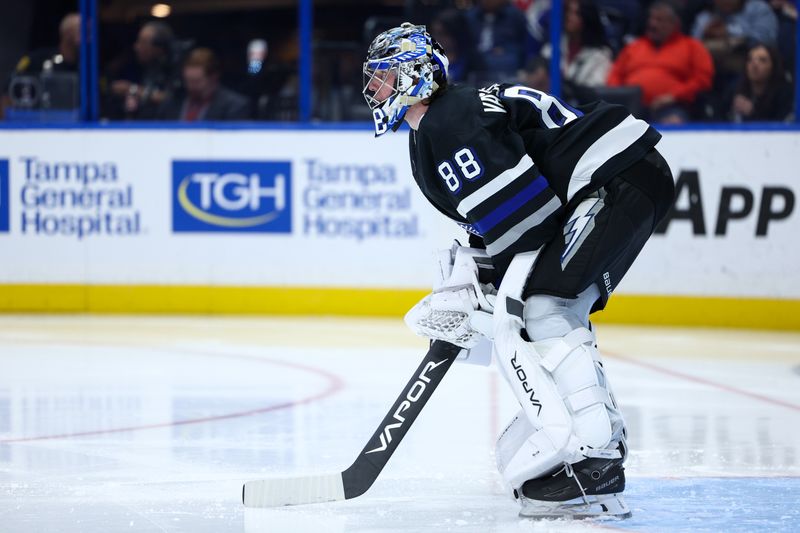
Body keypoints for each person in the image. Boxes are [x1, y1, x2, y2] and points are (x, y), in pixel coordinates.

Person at [363, 23, 675, 519]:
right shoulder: (437, 126)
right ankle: (599, 445)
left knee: (546, 307)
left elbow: (528, 221)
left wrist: (483, 292)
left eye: (382, 76)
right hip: (621, 174)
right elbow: (507, 220)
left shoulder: (448, 122)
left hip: (613, 177)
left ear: (413, 75)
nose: (373, 89)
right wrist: (479, 274)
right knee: (553, 306)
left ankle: (595, 456)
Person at [607, 1, 714, 123]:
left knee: (674, 122)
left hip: (672, 107)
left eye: (659, 20)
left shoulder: (692, 47)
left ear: (675, 23)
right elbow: (615, 76)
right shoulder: (633, 47)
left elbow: (702, 80)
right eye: (651, 19)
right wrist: (619, 98)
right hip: (630, 108)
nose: (652, 24)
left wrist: (674, 96)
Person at [107, 21, 178, 119]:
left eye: (143, 42)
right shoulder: (146, 67)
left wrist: (132, 89)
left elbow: (172, 99)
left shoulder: (176, 67)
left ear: (158, 48)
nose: (136, 47)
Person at [157, 48, 251, 121]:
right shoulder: (172, 103)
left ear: (213, 77)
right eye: (188, 81)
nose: (191, 87)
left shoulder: (234, 107)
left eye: (197, 81)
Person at [724, 43, 794, 121]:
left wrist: (753, 113)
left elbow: (782, 127)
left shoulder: (784, 93)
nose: (755, 64)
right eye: (750, 60)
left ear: (773, 66)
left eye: (762, 60)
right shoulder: (735, 88)